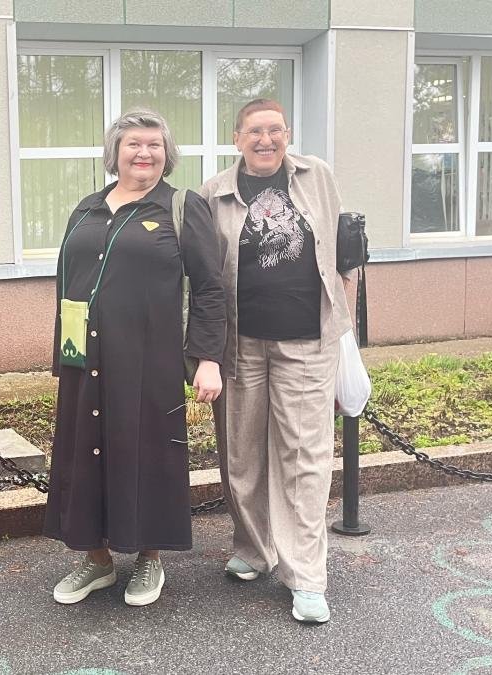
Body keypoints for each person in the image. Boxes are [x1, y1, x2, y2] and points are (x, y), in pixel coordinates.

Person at [45, 109, 225, 607]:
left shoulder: (180, 208)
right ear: (115, 152)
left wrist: (207, 358)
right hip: (85, 357)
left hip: (150, 360)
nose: (143, 153)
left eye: (154, 145)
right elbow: (68, 285)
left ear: (167, 155)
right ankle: (97, 559)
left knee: (148, 451)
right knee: (85, 452)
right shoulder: (86, 208)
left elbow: (210, 288)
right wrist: (64, 353)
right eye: (133, 144)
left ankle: (150, 557)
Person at [199, 98, 355, 624]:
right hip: (240, 345)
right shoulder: (215, 193)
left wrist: (345, 327)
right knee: (241, 455)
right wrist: (204, 350)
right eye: (255, 132)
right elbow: (204, 278)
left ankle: (306, 576)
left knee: (304, 458)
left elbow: (344, 253)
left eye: (275, 130)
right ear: (237, 138)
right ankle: (254, 546)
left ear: (287, 134)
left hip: (307, 343)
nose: (266, 140)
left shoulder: (317, 177)